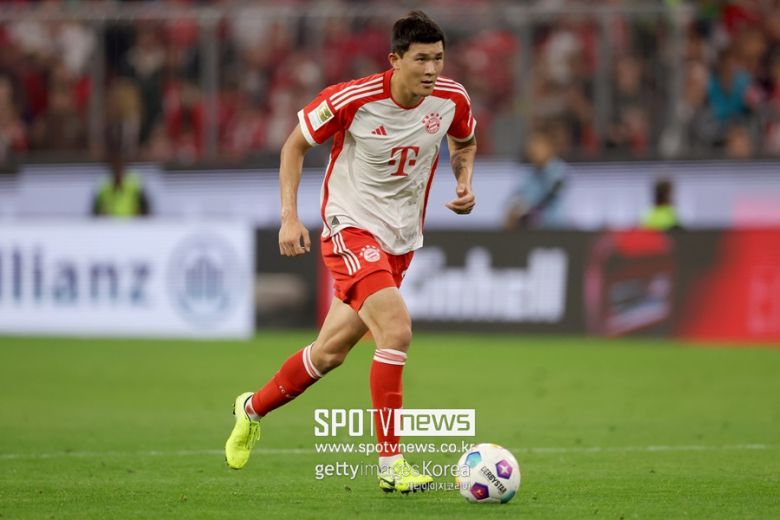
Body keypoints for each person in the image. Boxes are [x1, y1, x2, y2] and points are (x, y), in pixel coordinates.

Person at [224, 11, 477, 494]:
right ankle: (391, 464)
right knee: (396, 330)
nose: (431, 69)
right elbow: (293, 147)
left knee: (329, 353)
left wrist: (464, 180)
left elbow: (464, 143)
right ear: (394, 60)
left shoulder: (452, 99)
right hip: (350, 228)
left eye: (438, 59)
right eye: (421, 59)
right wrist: (289, 216)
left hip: (401, 242)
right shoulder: (352, 99)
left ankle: (250, 408)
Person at [504, 129, 567, 229]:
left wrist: (525, 210)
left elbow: (551, 194)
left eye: (538, 144)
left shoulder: (560, 171)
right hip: (532, 233)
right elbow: (516, 200)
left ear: (550, 147)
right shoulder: (528, 177)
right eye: (531, 144)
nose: (533, 149)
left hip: (558, 231)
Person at [92, 150, 150, 217]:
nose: (118, 169)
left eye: (120, 165)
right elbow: (95, 211)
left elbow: (145, 209)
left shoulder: (135, 184)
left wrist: (138, 215)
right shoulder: (104, 186)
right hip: (109, 223)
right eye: (115, 165)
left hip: (132, 222)